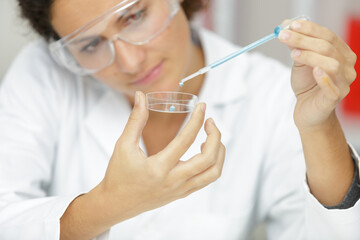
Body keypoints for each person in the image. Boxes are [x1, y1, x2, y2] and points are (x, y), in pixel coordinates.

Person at [0, 0, 359, 239]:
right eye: (90, 44)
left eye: (134, 16)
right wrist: (109, 205)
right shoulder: (42, 76)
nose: (129, 61)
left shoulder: (267, 91)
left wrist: (318, 126)